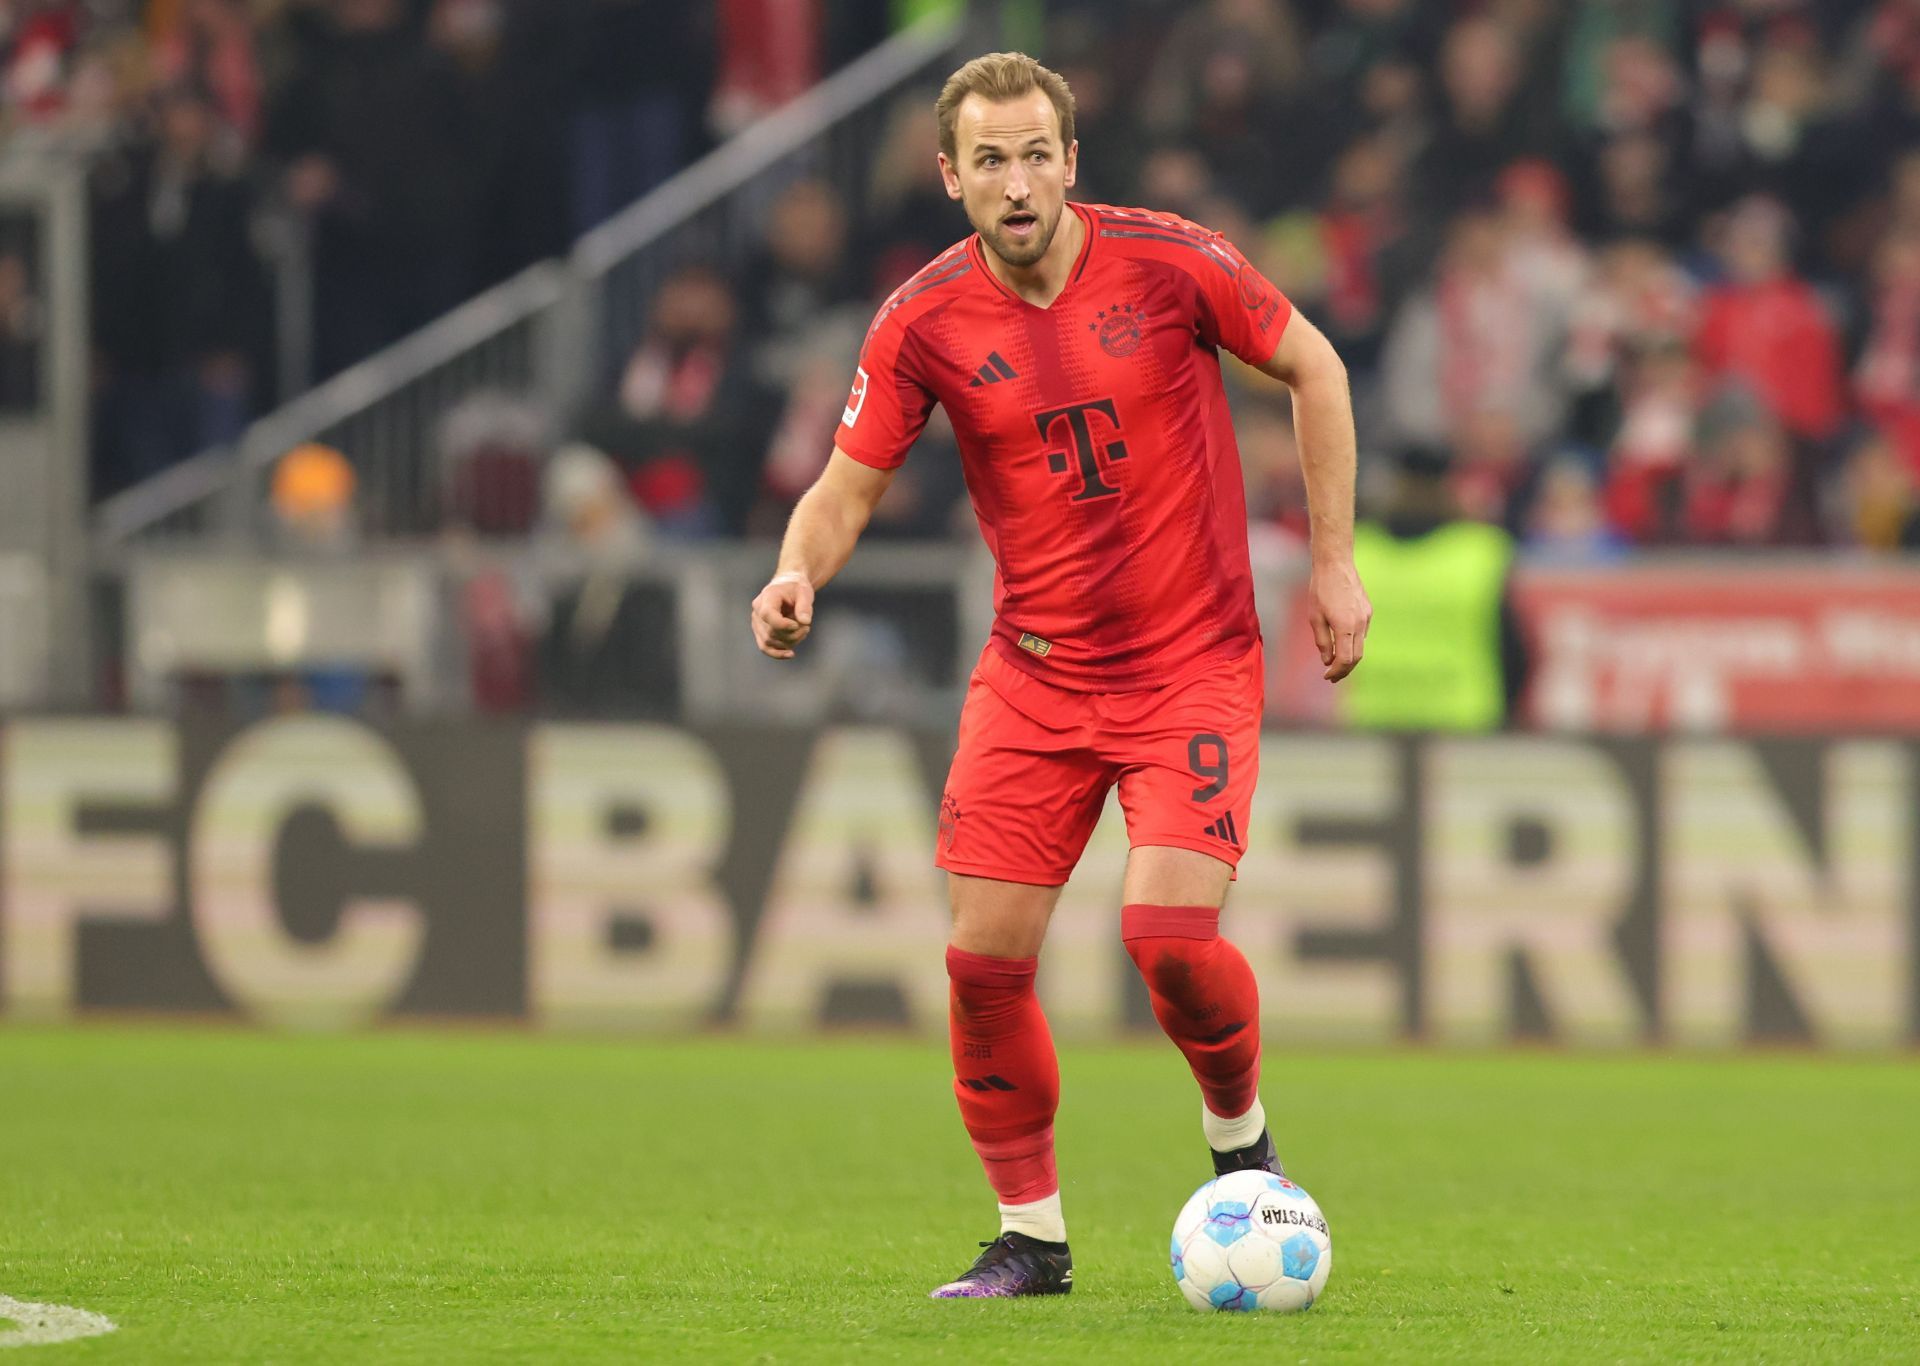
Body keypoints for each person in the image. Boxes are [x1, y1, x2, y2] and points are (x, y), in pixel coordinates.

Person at [747, 52, 1371, 1299]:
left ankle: (1241, 1138)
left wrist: (1335, 568)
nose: (1018, 182)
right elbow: (847, 480)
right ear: (950, 177)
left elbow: (1319, 367)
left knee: (1168, 938)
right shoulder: (921, 321)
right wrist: (796, 570)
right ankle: (1032, 1239)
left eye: (1037, 155)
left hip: (1190, 661)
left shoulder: (1172, 259)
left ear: (1072, 161)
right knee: (982, 963)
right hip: (1034, 674)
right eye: (990, 160)